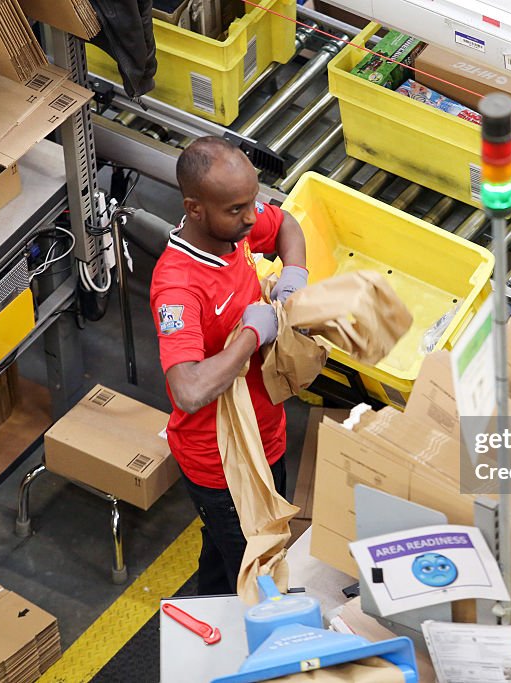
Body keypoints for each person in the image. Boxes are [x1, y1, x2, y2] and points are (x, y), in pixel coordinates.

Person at [150, 136, 308, 596]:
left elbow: (287, 226)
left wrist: (294, 274)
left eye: (253, 202)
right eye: (237, 209)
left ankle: (211, 620)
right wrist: (250, 337)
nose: (251, 217)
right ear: (195, 210)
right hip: (222, 464)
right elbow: (189, 389)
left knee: (228, 558)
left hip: (267, 436)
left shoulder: (234, 231)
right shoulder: (178, 288)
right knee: (258, 574)